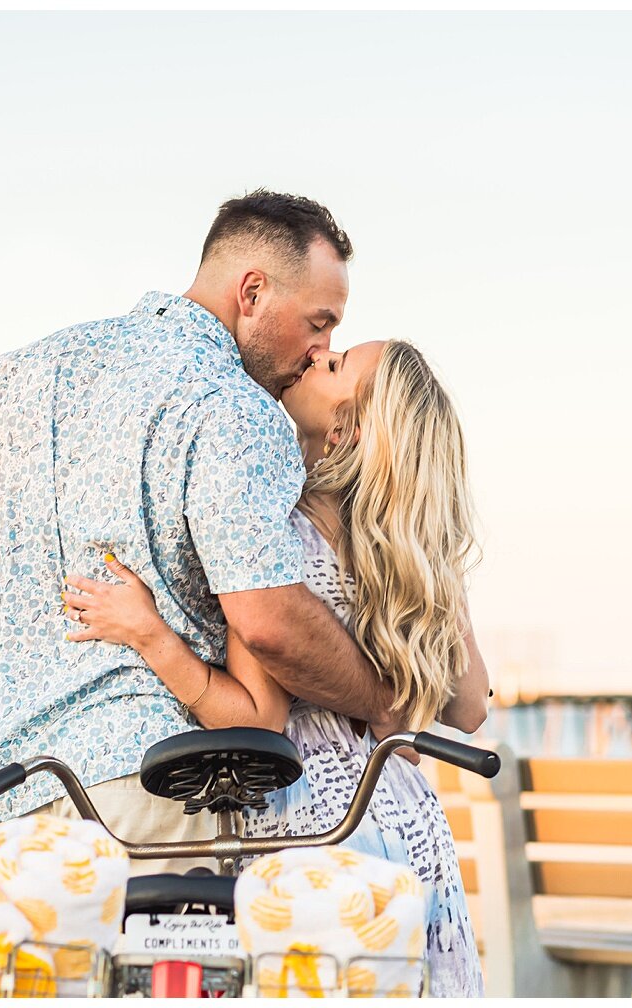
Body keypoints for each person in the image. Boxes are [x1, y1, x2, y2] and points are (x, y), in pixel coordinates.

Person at [0, 190, 409, 874]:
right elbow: (269, 621)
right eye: (319, 322)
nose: (321, 349)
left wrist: (55, 621)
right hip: (154, 795)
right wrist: (380, 698)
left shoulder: (23, 370)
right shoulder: (236, 407)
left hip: (4, 794)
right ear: (251, 292)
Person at [60, 338, 489, 994]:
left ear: (343, 431)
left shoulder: (277, 543)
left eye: (337, 365)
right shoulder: (410, 551)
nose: (318, 357)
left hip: (311, 840)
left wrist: (150, 635)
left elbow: (255, 715)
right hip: (410, 832)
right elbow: (470, 706)